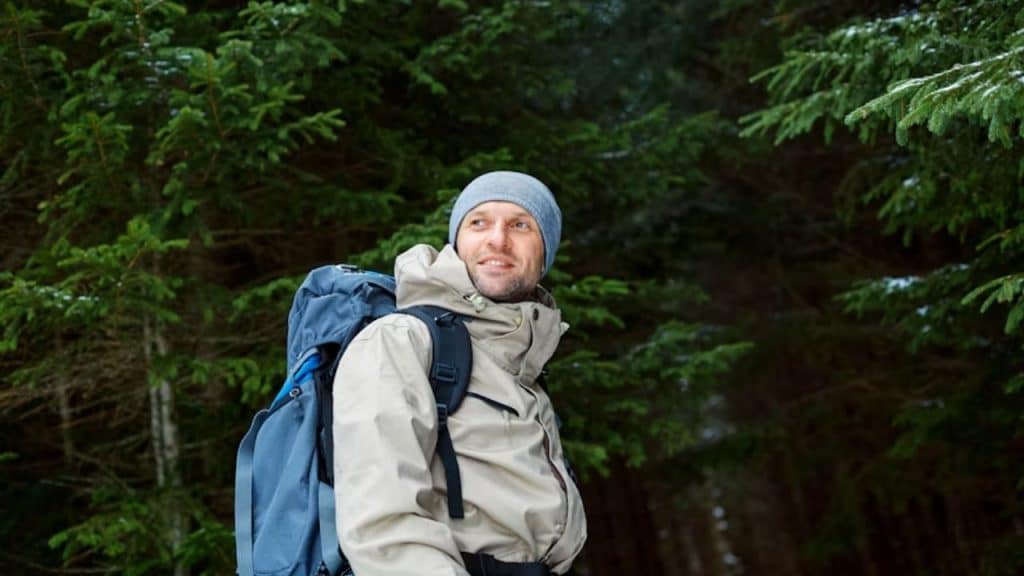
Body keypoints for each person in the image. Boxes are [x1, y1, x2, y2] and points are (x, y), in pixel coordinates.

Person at [332, 171, 587, 576]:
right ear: (457, 242)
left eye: (520, 225)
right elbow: (382, 526)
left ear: (545, 252)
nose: (497, 239)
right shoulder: (403, 341)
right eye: (479, 222)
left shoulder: (521, 366)